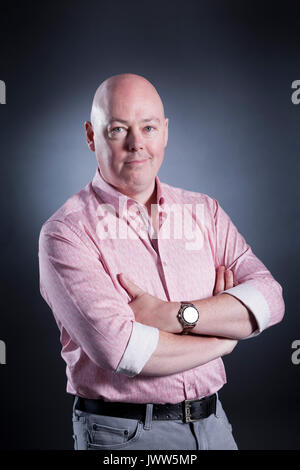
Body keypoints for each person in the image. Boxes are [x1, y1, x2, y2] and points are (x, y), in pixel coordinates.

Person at [38, 73, 285, 450]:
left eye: (148, 127)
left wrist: (170, 314)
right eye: (119, 129)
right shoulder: (65, 233)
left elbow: (270, 300)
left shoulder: (205, 212)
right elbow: (122, 350)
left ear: (165, 132)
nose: (138, 144)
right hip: (124, 436)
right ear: (91, 135)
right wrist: (225, 338)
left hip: (214, 425)